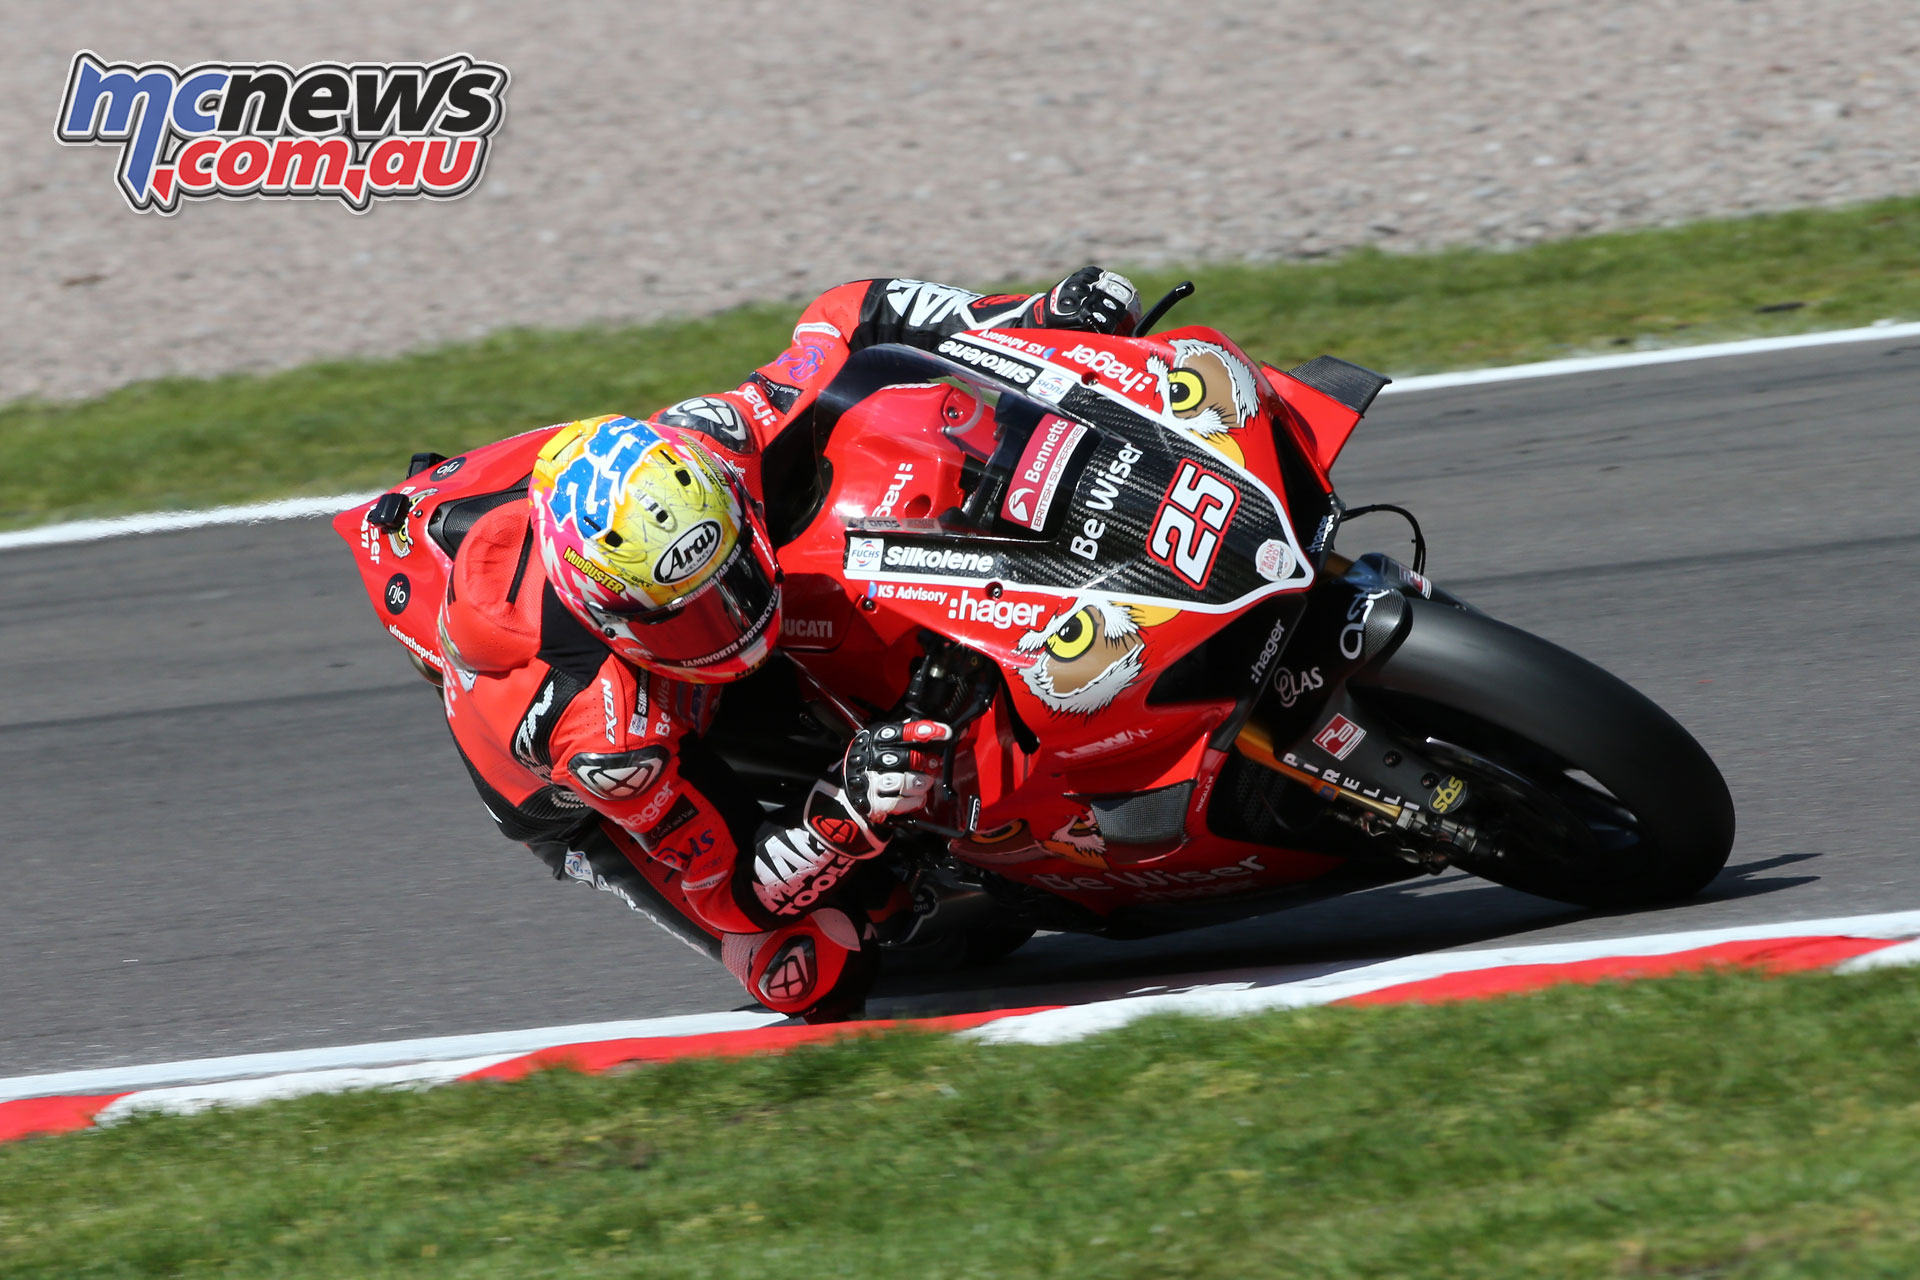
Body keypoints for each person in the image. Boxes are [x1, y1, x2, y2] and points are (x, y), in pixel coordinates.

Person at [436, 267, 1143, 1020]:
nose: (730, 623)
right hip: (582, 787)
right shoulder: (609, 741)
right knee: (807, 970)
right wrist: (843, 817)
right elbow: (735, 893)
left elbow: (849, 319)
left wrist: (1033, 313)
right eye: (688, 615)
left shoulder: (712, 442)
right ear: (616, 623)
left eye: (732, 575)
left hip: (593, 553)